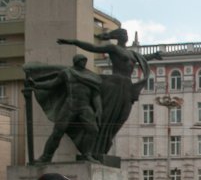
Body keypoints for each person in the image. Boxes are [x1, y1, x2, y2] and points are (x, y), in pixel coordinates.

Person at [58, 28, 161, 156]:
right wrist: (74, 42)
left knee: (122, 117)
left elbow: (143, 59)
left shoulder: (131, 54)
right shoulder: (113, 48)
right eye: (123, 34)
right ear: (117, 36)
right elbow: (92, 47)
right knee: (107, 117)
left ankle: (104, 143)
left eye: (126, 34)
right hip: (115, 85)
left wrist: (155, 55)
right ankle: (94, 148)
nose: (126, 35)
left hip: (127, 87)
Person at [28, 54, 102, 164]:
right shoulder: (67, 73)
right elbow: (53, 84)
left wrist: (99, 108)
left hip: (85, 107)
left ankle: (87, 155)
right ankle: (46, 157)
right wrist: (36, 85)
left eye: (84, 60)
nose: (83, 62)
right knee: (57, 132)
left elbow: (95, 95)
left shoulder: (91, 76)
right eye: (81, 60)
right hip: (70, 106)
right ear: (76, 61)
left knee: (93, 130)